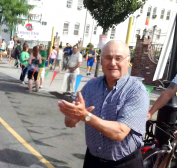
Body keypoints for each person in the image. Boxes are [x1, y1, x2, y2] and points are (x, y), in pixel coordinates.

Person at [58, 40, 148, 168]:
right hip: (92, 161)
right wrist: (72, 114)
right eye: (108, 58)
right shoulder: (91, 86)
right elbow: (69, 122)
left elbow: (119, 132)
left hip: (124, 163)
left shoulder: (137, 91)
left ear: (128, 61)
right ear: (101, 61)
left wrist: (86, 116)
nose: (112, 63)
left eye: (118, 58)